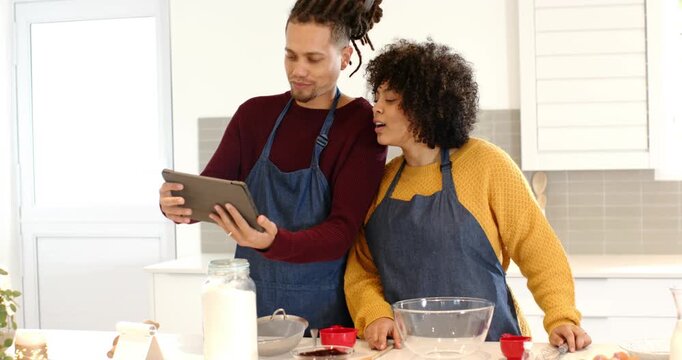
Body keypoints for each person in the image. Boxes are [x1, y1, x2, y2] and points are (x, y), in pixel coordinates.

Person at [344, 39, 593, 352]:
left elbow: (538, 249)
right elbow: (361, 270)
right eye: (377, 96)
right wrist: (375, 316)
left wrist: (561, 317)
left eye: (390, 98)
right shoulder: (381, 181)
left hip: (492, 348)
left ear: (427, 106)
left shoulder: (486, 164)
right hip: (409, 351)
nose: (376, 107)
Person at [159, 0, 387, 331]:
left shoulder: (360, 124)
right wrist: (176, 203)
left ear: (345, 56)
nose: (298, 70)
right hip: (249, 318)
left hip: (327, 327)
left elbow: (342, 232)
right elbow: (209, 193)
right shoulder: (254, 115)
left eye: (313, 58)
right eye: (291, 55)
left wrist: (271, 242)